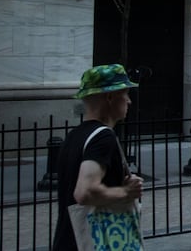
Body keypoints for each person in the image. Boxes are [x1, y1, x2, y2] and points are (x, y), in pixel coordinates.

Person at [53, 64, 145, 251]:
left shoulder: (74, 136)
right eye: (126, 93)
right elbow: (84, 192)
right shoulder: (104, 137)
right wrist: (126, 192)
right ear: (110, 97)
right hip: (96, 241)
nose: (129, 101)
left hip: (68, 239)